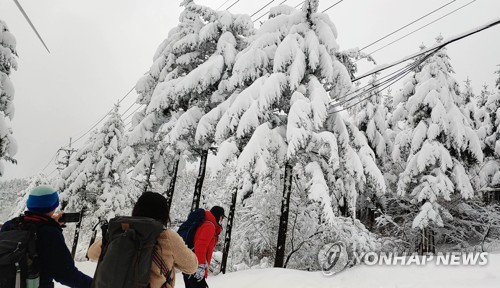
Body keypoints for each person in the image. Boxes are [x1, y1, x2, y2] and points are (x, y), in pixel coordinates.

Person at [88, 192, 198, 288]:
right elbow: (192, 266)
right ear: (164, 214)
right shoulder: (167, 236)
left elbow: (91, 253)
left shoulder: (122, 230)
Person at [0, 185, 93, 288]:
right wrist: (94, 284)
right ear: (53, 206)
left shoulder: (10, 225)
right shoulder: (50, 233)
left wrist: (50, 223)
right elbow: (65, 274)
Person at [184, 206, 225, 288]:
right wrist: (201, 266)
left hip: (191, 265)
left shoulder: (205, 224)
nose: (222, 219)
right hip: (196, 267)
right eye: (222, 217)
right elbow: (200, 246)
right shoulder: (209, 226)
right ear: (217, 215)